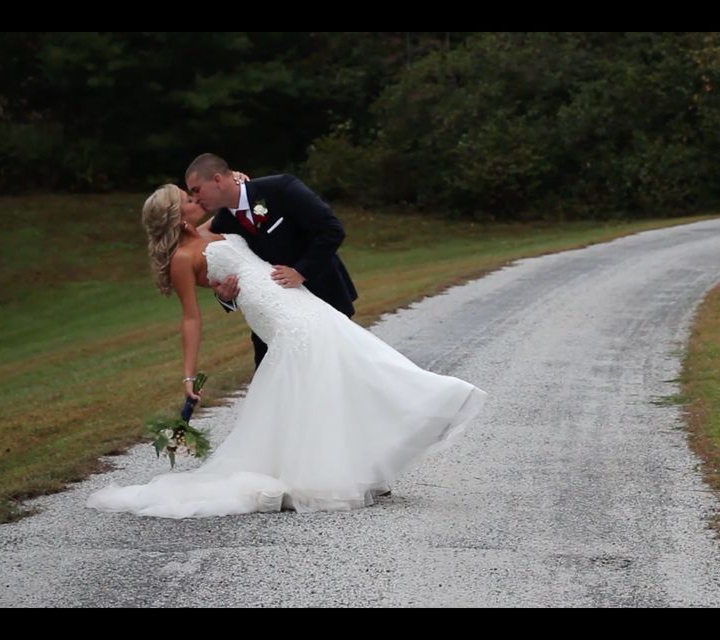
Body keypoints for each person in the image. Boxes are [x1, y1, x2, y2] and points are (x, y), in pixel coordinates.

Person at [86, 185, 486, 517]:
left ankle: (396, 434)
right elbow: (191, 319)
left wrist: (239, 183)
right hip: (282, 321)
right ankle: (348, 458)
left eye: (193, 194)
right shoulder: (183, 258)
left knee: (357, 366)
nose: (196, 200)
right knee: (327, 381)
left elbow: (237, 200)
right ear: (177, 217)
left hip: (305, 302)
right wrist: (189, 377)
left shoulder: (214, 227)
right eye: (187, 199)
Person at [186, 153, 357, 369]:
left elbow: (332, 230)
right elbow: (205, 250)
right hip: (275, 320)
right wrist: (224, 297)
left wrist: (300, 272)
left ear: (218, 179)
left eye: (196, 190)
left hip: (323, 300)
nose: (196, 197)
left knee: (336, 373)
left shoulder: (281, 189)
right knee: (271, 381)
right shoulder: (223, 223)